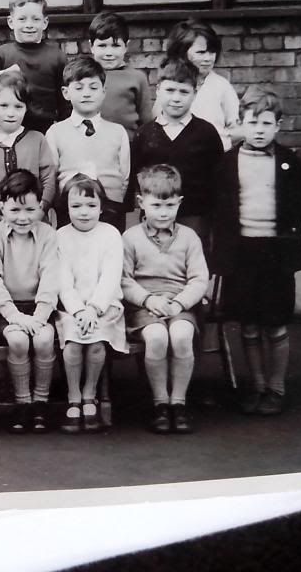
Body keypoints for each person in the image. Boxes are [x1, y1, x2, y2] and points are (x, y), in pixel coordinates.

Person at [211, 86, 301, 416]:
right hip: (242, 254)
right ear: (241, 123)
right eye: (252, 123)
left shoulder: (290, 163)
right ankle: (257, 385)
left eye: (267, 124)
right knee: (249, 324)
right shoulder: (226, 163)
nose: (259, 130)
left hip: (276, 254)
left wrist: (285, 245)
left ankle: (277, 388)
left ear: (278, 125)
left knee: (276, 322)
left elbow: (296, 208)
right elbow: (221, 213)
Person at [122, 164, 210, 434]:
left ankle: (178, 403)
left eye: (170, 206)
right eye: (156, 206)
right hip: (144, 305)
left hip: (179, 303)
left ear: (179, 203)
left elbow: (199, 278)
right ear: (141, 203)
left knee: (182, 335)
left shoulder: (189, 237)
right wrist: (148, 300)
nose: (163, 213)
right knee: (158, 337)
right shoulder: (131, 238)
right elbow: (124, 280)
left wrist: (181, 303)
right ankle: (160, 402)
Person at [0, 170, 60, 434]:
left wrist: (41, 315)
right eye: (14, 210)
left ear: (40, 207)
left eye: (30, 209)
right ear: (2, 207)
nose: (23, 217)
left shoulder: (47, 235)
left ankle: (41, 402)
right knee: (18, 340)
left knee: (44, 339)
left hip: (39, 307)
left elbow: (51, 276)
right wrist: (14, 316)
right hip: (8, 309)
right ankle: (22, 402)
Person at [53, 174, 128, 434]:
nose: (84, 213)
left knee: (96, 343)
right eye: (76, 206)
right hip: (71, 307)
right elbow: (63, 281)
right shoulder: (60, 236)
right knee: (73, 344)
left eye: (91, 205)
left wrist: (94, 308)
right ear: (67, 208)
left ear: (101, 207)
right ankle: (73, 396)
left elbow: (110, 276)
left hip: (104, 306)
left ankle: (90, 393)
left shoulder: (110, 234)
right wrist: (78, 310)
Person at [130, 58, 223, 248]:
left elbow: (218, 181)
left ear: (195, 94)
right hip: (154, 218)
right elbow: (135, 177)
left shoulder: (206, 133)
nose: (176, 98)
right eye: (170, 90)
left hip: (195, 219)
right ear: (158, 90)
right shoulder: (145, 134)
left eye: (184, 92)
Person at [46, 57, 131, 231]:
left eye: (93, 88)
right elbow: (51, 175)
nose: (86, 93)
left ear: (104, 92)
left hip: (110, 209)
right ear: (65, 92)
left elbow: (125, 176)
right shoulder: (55, 132)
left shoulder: (117, 131)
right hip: (70, 209)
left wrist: (112, 202)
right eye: (79, 88)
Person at [0, 0, 68, 133]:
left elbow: (65, 101)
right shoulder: (1, 54)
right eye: (22, 19)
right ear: (11, 22)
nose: (29, 25)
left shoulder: (57, 57)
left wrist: (63, 128)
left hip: (46, 127)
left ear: (45, 22)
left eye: (35, 19)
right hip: (10, 126)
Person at [0, 70, 57, 218]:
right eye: (3, 105)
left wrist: (41, 208)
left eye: (18, 107)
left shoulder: (37, 139)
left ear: (26, 108)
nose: (11, 113)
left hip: (35, 216)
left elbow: (48, 178)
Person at [159, 19, 240, 152]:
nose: (208, 58)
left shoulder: (221, 86)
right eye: (201, 53)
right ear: (182, 52)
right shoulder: (171, 86)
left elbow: (237, 128)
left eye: (212, 52)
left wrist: (219, 141)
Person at [87, 11, 152, 140]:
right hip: (91, 147)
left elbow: (146, 123)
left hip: (128, 148)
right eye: (102, 46)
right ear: (91, 46)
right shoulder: (84, 77)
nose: (109, 53)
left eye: (116, 45)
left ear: (126, 46)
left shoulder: (137, 78)